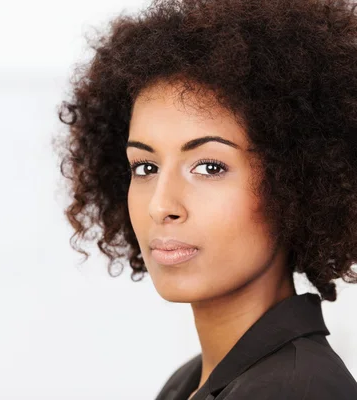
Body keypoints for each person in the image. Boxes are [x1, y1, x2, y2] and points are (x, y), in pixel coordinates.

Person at [53, 0, 357, 398]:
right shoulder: (190, 382)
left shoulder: (297, 389)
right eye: (145, 167)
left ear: (296, 181)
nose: (161, 205)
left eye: (210, 167)